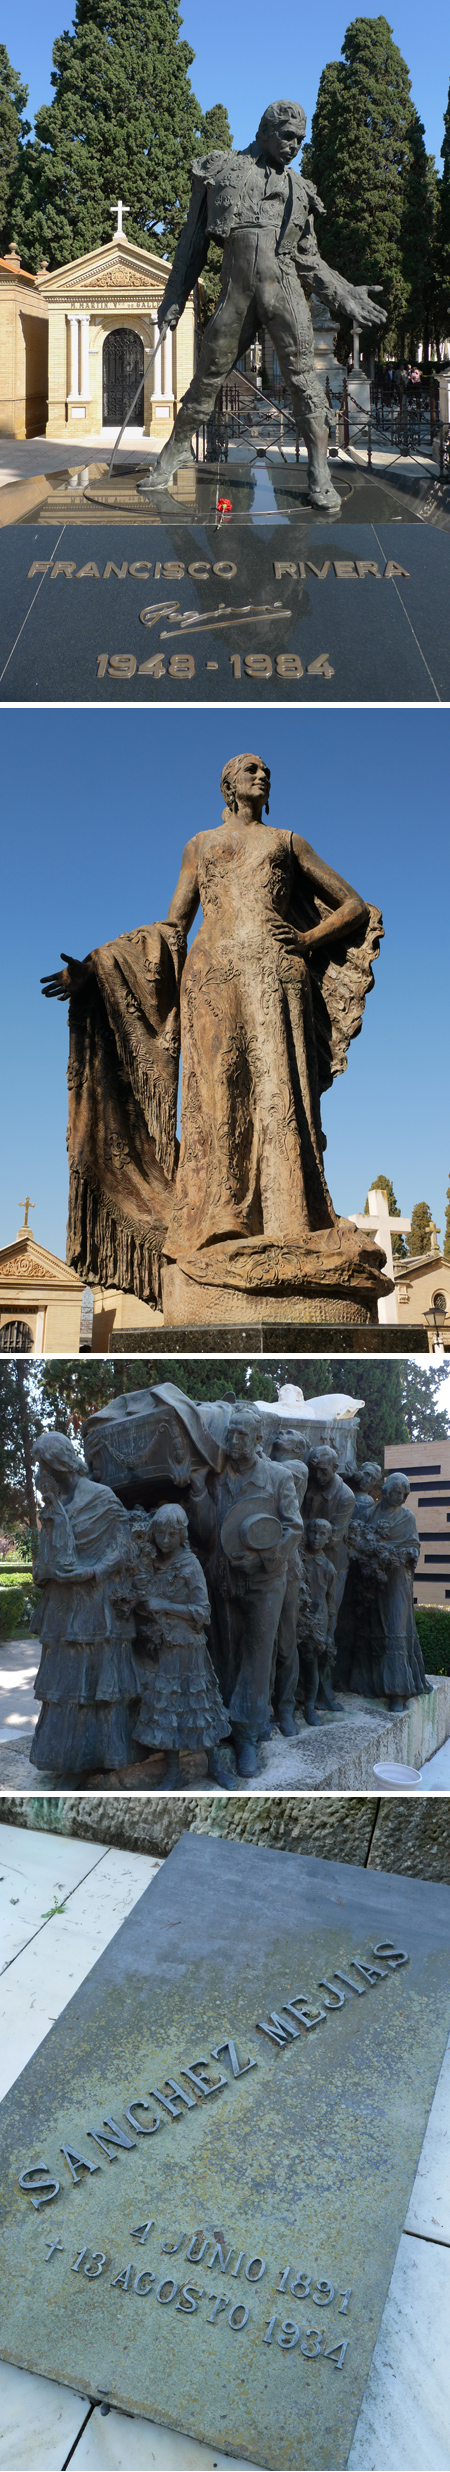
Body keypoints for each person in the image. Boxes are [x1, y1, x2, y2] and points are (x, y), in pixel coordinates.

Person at [42, 752, 385, 1320]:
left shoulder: (288, 841)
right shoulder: (200, 844)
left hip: (277, 973)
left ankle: (292, 1219)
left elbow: (353, 905)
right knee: (218, 1095)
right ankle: (219, 1218)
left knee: (282, 1097)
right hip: (210, 976)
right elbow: (173, 926)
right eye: (250, 769)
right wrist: (99, 968)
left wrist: (307, 939)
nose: (262, 774)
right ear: (228, 785)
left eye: (266, 769)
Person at [140, 98, 385, 511]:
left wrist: (344, 293)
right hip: (236, 291)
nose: (295, 146)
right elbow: (192, 242)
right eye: (288, 137)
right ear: (265, 133)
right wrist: (173, 298)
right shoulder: (219, 171)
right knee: (207, 378)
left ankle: (318, 473)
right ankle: (174, 452)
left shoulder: (301, 191)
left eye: (301, 140)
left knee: (304, 380)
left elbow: (310, 260)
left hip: (284, 289)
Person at [188, 1402, 302, 1775]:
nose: (233, 1440)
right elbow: (206, 1533)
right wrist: (198, 1494)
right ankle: (226, 1725)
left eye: (242, 1434)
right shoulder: (217, 1479)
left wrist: (264, 1560)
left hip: (265, 1581)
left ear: (258, 1440)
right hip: (223, 1578)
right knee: (225, 1652)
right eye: (230, 1432)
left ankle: (248, 1738)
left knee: (255, 1656)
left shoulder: (278, 1477)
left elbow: (293, 1529)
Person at [30, 1433, 141, 1776]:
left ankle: (102, 1756)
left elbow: (125, 1547)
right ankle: (65, 1760)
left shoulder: (101, 1497)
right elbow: (47, 1553)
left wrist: (92, 1571)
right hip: (62, 1607)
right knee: (64, 1686)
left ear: (60, 1462)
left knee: (98, 1684)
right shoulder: (54, 1501)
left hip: (96, 1605)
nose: (40, 1472)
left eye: (44, 1464)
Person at [131, 1504, 229, 1789]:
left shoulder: (190, 1564)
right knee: (166, 1711)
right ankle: (173, 1772)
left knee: (200, 1707)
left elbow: (202, 1611)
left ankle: (216, 1764)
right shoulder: (151, 1563)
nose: (164, 1540)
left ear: (181, 1534)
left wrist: (165, 1605)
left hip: (189, 1648)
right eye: (159, 1533)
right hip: (163, 1649)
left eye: (171, 1534)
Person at [298, 1519, 336, 1725]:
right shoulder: (298, 1559)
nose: (316, 1538)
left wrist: (329, 1633)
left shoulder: (329, 1568)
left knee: (311, 1664)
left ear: (328, 1539)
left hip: (316, 1622)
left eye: (322, 1535)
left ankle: (310, 1706)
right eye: (312, 1532)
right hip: (295, 1617)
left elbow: (331, 1604)